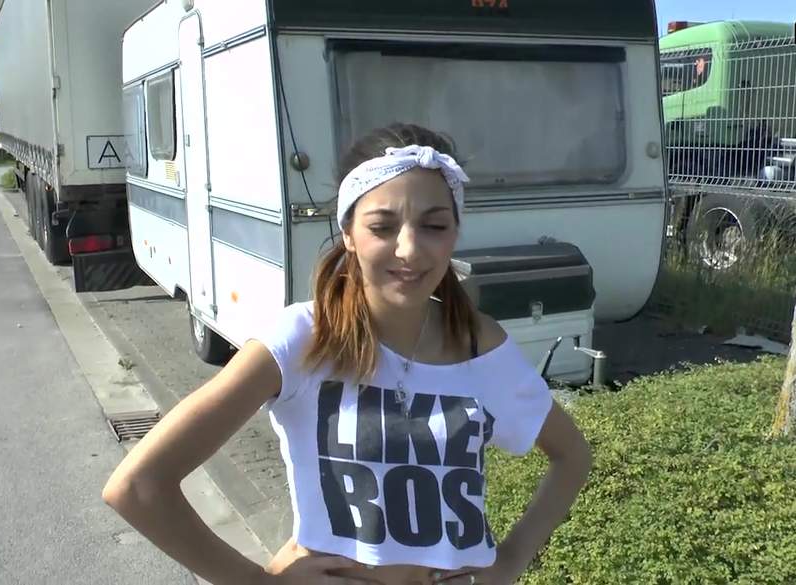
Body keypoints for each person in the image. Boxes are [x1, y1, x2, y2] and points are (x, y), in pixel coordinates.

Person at [102, 123, 592, 585]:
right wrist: (256, 582)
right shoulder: (304, 339)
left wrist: (506, 563)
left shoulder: (479, 344)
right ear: (348, 234)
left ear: (455, 233)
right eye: (382, 226)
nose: (410, 249)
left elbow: (571, 457)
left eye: (434, 225)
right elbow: (138, 486)